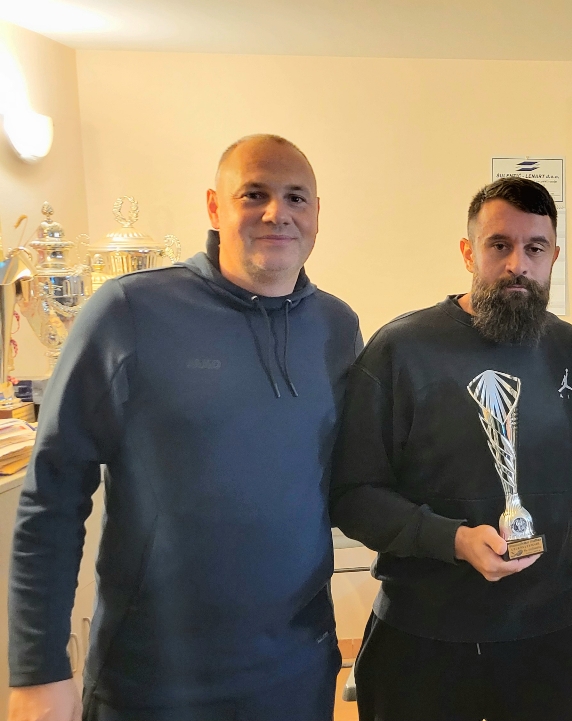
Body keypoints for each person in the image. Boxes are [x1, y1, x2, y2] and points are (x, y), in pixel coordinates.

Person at [7, 134, 362, 721]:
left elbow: (351, 480)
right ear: (215, 207)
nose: (277, 212)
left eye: (296, 197)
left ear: (317, 213)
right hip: (155, 681)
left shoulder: (337, 326)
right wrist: (38, 668)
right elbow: (52, 496)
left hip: (297, 672)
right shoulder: (128, 312)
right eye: (254, 194)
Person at [330, 177, 572, 721]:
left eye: (535, 248)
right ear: (468, 252)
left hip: (550, 640)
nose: (518, 264)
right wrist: (451, 539)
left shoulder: (569, 348)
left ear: (553, 257)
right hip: (424, 642)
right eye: (499, 245)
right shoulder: (401, 350)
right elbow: (353, 495)